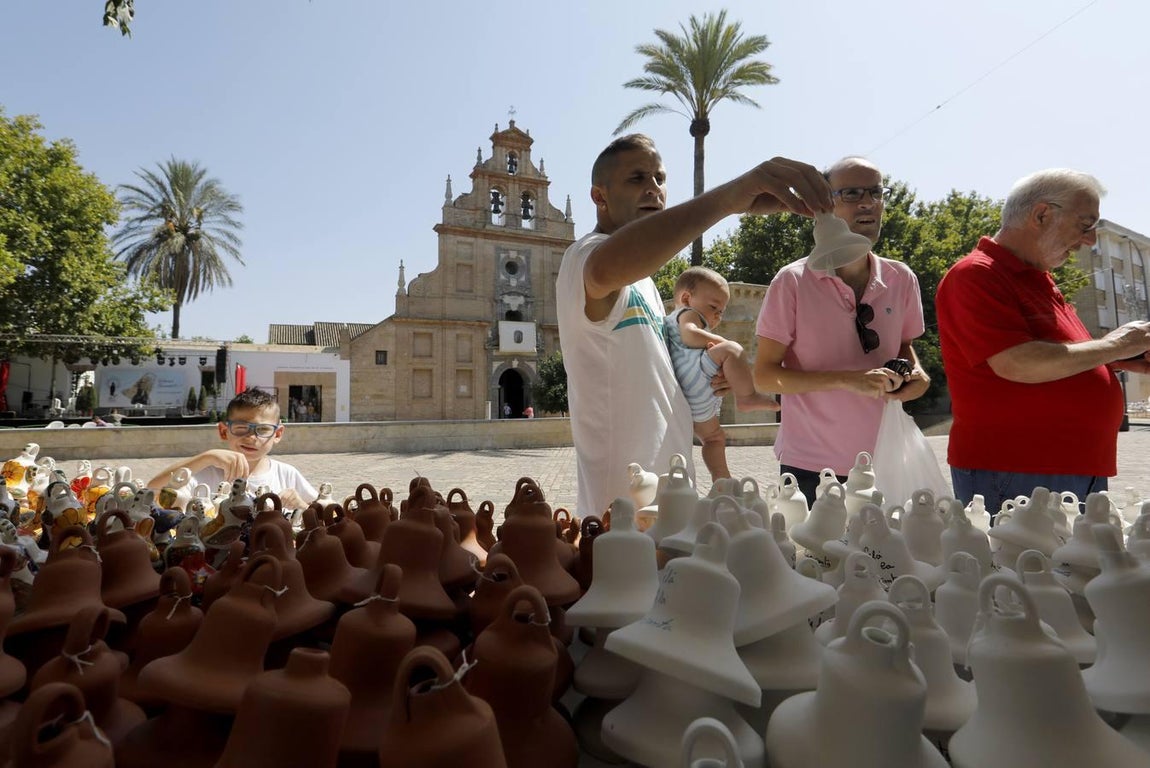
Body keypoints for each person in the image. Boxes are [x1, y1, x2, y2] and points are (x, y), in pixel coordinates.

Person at [557, 133, 833, 519]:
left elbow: (653, 370)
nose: (653, 189)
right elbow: (605, 266)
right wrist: (729, 199)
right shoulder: (583, 257)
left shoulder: (646, 285)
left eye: (660, 178)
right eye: (637, 179)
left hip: (671, 495)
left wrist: (707, 377)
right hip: (622, 509)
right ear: (599, 196)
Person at [936, 168, 1150, 513]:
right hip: (1019, 468)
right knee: (1033, 567)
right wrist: (1119, 345)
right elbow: (1017, 362)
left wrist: (1113, 361)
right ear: (1041, 214)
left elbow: (1049, 358)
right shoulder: (977, 274)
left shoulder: (1037, 279)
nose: (1090, 240)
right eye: (1085, 225)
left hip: (1064, 467)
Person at [754, 156, 930, 506]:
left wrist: (918, 375)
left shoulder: (902, 277)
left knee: (887, 559)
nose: (867, 202)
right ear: (823, 205)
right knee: (818, 561)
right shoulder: (791, 281)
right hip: (811, 468)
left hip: (887, 457)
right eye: (851, 193)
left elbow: (904, 346)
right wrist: (848, 379)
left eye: (876, 192)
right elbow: (764, 376)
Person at [665, 266, 780, 481]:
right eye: (713, 306)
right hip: (695, 377)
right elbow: (690, 336)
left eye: (722, 311)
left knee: (715, 438)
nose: (718, 315)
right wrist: (725, 343)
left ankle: (722, 479)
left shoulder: (673, 319)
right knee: (733, 350)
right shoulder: (687, 313)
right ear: (687, 298)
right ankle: (746, 397)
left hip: (689, 393)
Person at [146, 388, 318, 509]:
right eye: (241, 428)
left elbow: (323, 513)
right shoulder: (203, 473)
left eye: (263, 429)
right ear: (223, 431)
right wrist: (207, 457)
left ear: (278, 434)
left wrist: (301, 506)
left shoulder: (287, 474)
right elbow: (151, 491)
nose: (251, 437)